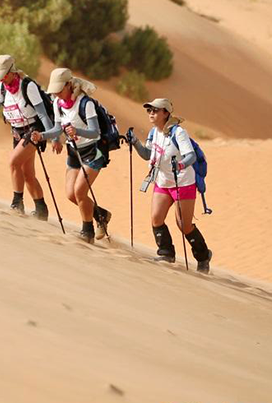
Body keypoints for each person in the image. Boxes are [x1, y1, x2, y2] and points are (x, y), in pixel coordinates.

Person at [125, 98, 212, 273]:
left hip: (183, 183)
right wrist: (135, 143)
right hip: (163, 181)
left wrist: (181, 165)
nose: (151, 113)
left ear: (166, 113)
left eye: (155, 110)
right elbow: (147, 154)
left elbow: (191, 156)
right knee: (156, 218)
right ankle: (166, 253)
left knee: (183, 225)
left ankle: (203, 255)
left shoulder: (178, 133)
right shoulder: (154, 132)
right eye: (149, 110)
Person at [0, 55, 60, 220]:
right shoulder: (2, 88)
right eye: (0, 76)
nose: (2, 79)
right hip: (17, 133)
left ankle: (17, 204)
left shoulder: (28, 86)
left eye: (4, 75)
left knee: (13, 162)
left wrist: (53, 137)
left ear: (12, 72)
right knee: (27, 174)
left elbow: (43, 114)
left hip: (34, 131)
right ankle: (41, 210)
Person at [30, 68, 112, 244]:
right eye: (54, 90)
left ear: (69, 85)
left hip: (93, 151)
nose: (56, 94)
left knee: (80, 191)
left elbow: (95, 132)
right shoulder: (57, 103)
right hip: (73, 152)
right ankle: (101, 215)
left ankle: (87, 232)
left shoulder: (85, 104)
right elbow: (57, 129)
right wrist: (42, 136)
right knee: (71, 194)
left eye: (59, 89)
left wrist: (77, 131)